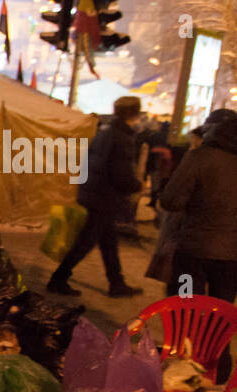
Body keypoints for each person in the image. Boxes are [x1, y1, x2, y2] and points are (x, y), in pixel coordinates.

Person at [47, 96, 145, 299]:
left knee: (108, 241)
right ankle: (58, 279)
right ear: (134, 114)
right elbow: (121, 174)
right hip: (103, 197)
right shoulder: (122, 138)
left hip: (93, 192)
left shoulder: (104, 131)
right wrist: (137, 186)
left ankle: (116, 283)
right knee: (86, 242)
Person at [159, 109, 237, 304]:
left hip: (193, 251)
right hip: (232, 257)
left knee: (185, 304)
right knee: (220, 312)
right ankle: (213, 336)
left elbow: (170, 201)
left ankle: (187, 335)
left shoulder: (199, 157)